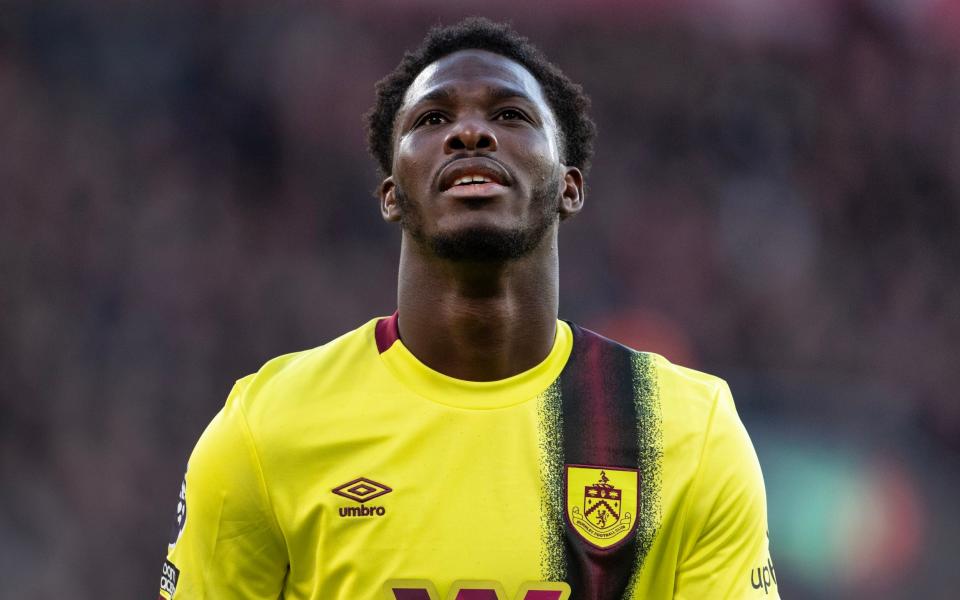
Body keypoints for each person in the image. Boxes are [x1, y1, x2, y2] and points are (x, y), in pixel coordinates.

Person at [159, 17, 779, 600]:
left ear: (570, 185)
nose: (470, 132)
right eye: (431, 119)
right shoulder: (268, 431)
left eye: (511, 115)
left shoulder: (685, 432)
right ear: (391, 194)